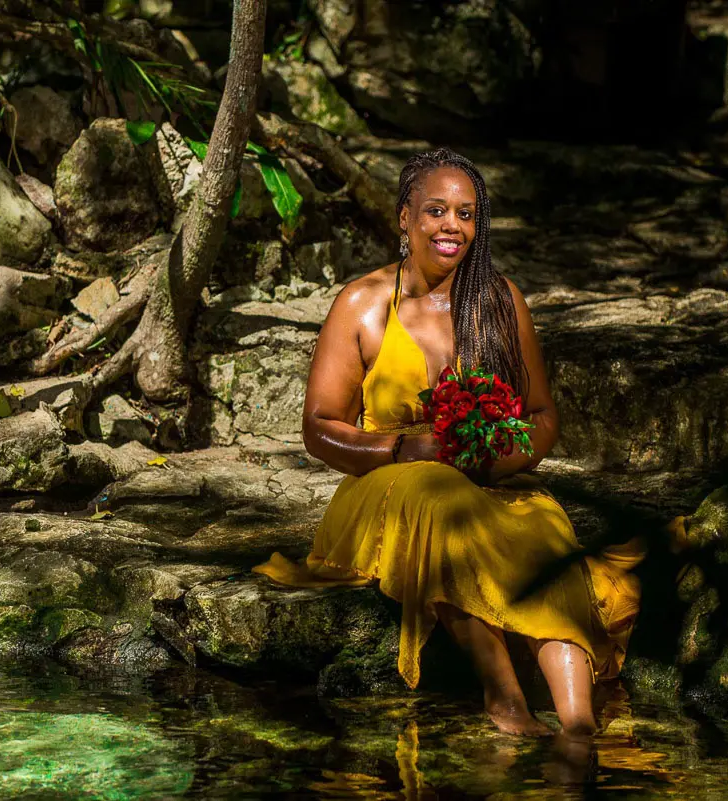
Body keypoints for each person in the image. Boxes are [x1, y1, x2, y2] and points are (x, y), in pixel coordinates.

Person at [252, 147, 643, 738]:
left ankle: (579, 728)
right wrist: (398, 452)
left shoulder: (500, 302)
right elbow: (320, 427)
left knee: (545, 528)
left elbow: (540, 415)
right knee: (441, 503)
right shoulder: (360, 305)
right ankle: (506, 702)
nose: (451, 227)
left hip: (484, 479)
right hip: (388, 488)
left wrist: (500, 459)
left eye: (465, 214)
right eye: (436, 211)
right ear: (403, 218)